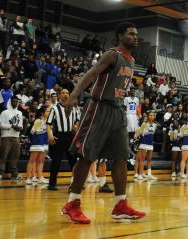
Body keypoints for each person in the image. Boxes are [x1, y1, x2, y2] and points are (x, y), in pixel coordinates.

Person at [63, 22, 145, 224]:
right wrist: (74, 95)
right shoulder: (111, 55)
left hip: (117, 111)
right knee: (86, 155)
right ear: (119, 36)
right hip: (99, 107)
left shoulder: (132, 60)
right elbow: (91, 74)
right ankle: (72, 203)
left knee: (121, 157)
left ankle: (120, 204)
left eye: (137, 34)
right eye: (131, 34)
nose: (135, 37)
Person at [46, 88, 78, 191]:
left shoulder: (73, 109)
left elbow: (75, 124)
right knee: (56, 161)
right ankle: (52, 184)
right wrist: (50, 136)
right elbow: (49, 124)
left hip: (70, 136)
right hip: (59, 136)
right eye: (63, 93)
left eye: (67, 93)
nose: (65, 94)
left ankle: (76, 183)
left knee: (74, 161)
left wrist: (78, 135)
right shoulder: (54, 108)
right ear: (59, 96)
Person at [0, 96, 23, 181]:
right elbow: (1, 125)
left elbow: (21, 126)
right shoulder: (4, 112)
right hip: (6, 136)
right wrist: (11, 126)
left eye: (16, 102)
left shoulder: (19, 113)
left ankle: (14, 174)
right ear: (10, 102)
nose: (15, 103)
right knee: (3, 155)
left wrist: (19, 128)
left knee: (15, 156)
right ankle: (0, 173)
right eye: (13, 101)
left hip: (16, 137)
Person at [26, 106, 51, 185]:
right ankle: (28, 178)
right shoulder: (38, 120)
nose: (49, 113)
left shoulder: (48, 121)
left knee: (41, 161)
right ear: (42, 113)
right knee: (32, 160)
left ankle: (40, 177)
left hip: (45, 142)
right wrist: (42, 131)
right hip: (37, 142)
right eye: (47, 111)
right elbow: (32, 132)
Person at [135, 111, 157, 181]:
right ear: (148, 116)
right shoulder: (144, 124)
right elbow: (139, 133)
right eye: (150, 115)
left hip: (150, 144)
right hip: (144, 143)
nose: (151, 116)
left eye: (153, 115)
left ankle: (149, 174)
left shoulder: (155, 125)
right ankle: (140, 174)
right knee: (142, 159)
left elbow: (152, 134)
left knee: (149, 159)